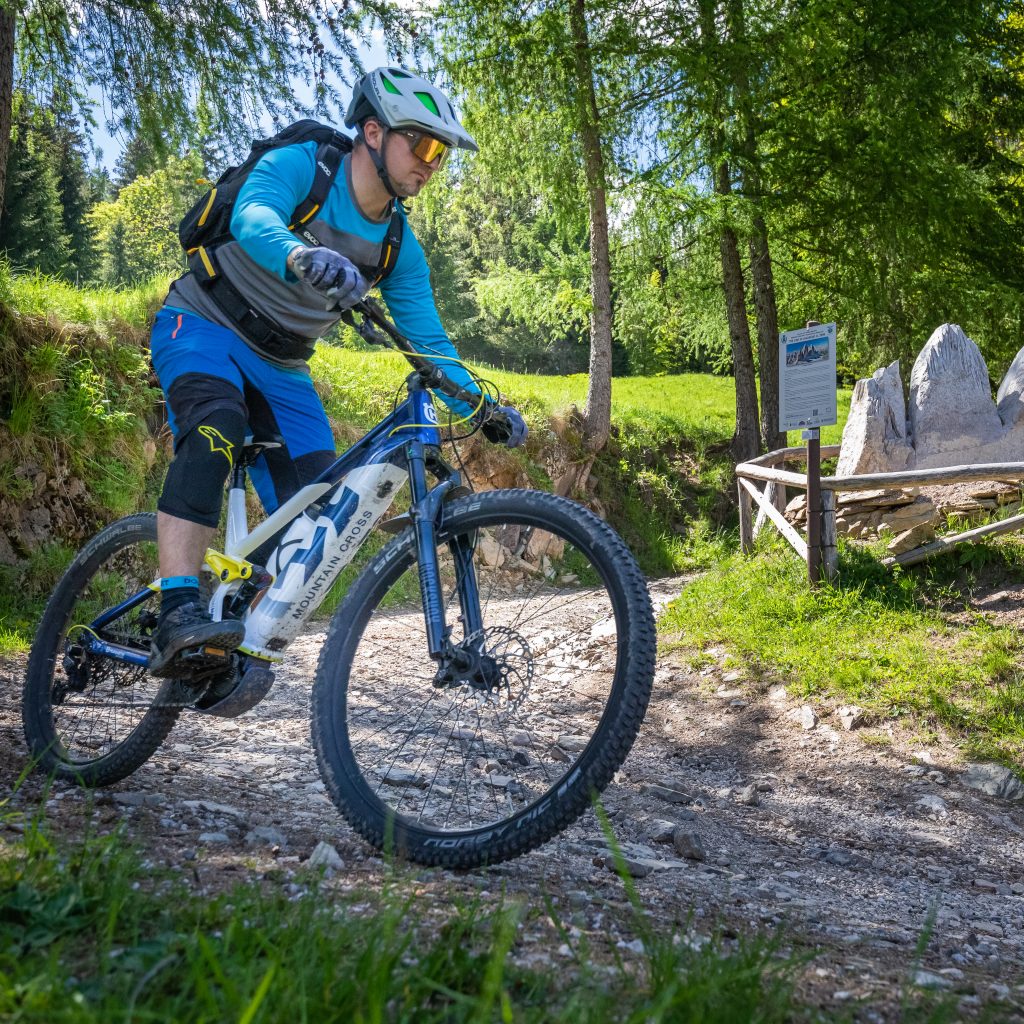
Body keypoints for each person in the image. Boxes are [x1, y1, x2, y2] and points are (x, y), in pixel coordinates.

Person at [146, 67, 527, 679]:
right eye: (423, 144)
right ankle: (177, 609)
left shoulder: (396, 247)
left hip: (284, 365)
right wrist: (301, 254)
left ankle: (230, 636)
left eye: (441, 153)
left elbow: (429, 345)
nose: (431, 163)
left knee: (319, 505)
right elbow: (253, 216)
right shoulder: (308, 166)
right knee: (215, 428)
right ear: (372, 132)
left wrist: (481, 408)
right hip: (203, 324)